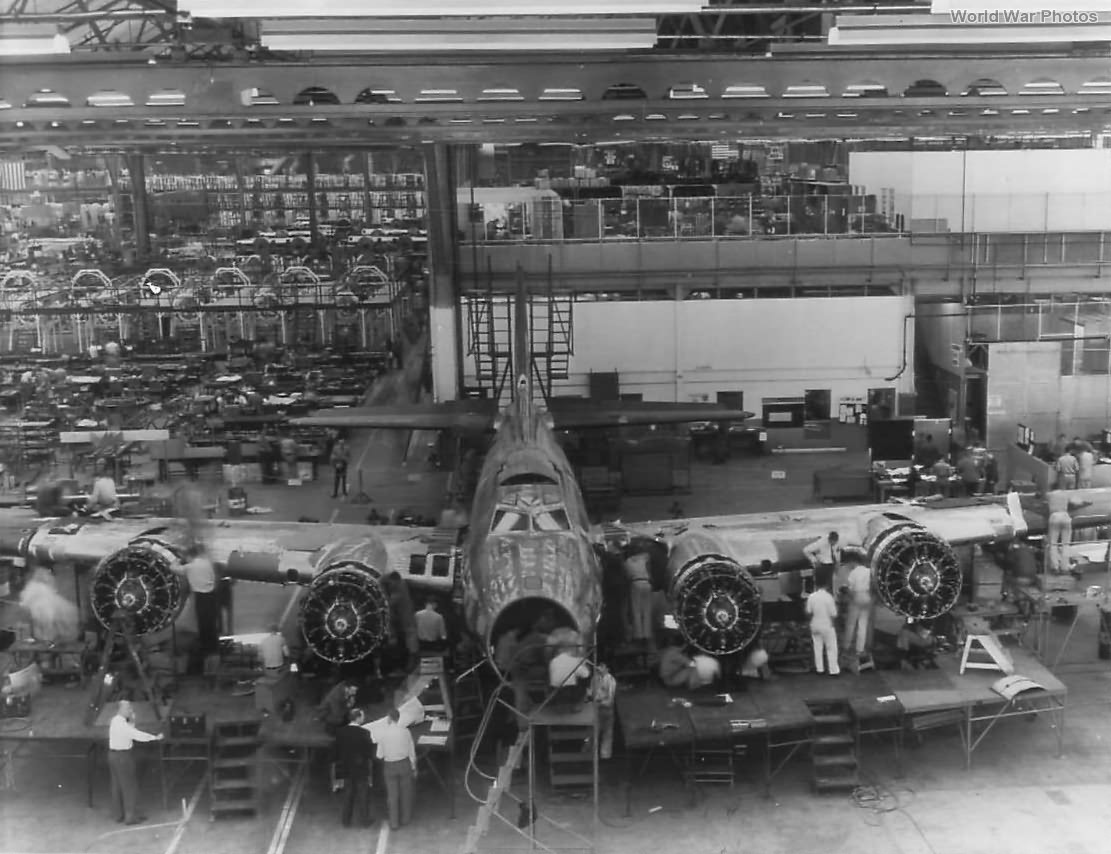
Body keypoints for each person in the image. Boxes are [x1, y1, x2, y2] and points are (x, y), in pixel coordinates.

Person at [108, 699, 163, 825]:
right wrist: (154, 737)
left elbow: (129, 729)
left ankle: (118, 815)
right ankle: (130, 817)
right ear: (121, 709)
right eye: (128, 709)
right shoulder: (121, 724)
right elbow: (135, 734)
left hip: (113, 755)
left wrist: (132, 720)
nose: (131, 711)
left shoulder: (115, 721)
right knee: (129, 786)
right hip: (123, 757)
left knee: (116, 786)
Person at [376, 707, 416, 831]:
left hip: (390, 766)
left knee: (392, 796)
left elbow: (379, 755)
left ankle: (394, 823)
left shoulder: (383, 734)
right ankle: (406, 819)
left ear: (389, 718)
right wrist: (413, 767)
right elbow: (411, 752)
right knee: (406, 793)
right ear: (398, 718)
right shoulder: (406, 732)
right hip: (404, 764)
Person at [336, 709, 375, 828]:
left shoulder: (341, 732)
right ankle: (365, 820)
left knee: (348, 794)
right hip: (361, 769)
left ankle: (346, 820)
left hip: (347, 768)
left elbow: (337, 750)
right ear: (358, 718)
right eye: (362, 716)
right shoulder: (365, 733)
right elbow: (369, 753)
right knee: (363, 795)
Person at [182, 544, 220, 656]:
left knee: (203, 624)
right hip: (212, 596)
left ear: (190, 556)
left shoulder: (190, 566)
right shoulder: (207, 563)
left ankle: (206, 649)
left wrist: (176, 561)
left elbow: (173, 569)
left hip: (201, 598)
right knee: (211, 623)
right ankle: (213, 648)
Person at [1046, 490, 1093, 573]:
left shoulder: (1049, 494)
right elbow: (1077, 502)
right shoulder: (1065, 494)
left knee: (1053, 543)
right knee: (1065, 544)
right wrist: (1088, 503)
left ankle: (1055, 566)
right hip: (1065, 516)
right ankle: (1065, 567)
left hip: (1054, 516)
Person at [805, 578, 840, 676]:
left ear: (816, 585)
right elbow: (833, 613)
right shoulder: (829, 597)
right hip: (827, 624)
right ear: (826, 586)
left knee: (817, 647)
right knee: (831, 647)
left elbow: (808, 611)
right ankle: (833, 670)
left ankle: (819, 669)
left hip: (815, 624)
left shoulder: (811, 597)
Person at [841, 560, 873, 657]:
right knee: (862, 624)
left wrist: (849, 596)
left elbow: (850, 587)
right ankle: (860, 649)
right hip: (867, 596)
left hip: (857, 596)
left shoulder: (853, 572)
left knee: (851, 624)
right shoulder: (869, 571)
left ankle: (846, 647)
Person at [624, 547, 654, 644]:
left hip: (635, 583)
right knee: (646, 610)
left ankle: (639, 635)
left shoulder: (628, 561)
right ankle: (647, 634)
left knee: (636, 610)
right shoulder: (644, 558)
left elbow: (627, 575)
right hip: (647, 583)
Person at [548, 642, 591, 707]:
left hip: (554, 690)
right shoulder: (574, 660)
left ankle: (557, 703)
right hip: (570, 691)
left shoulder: (553, 660)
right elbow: (586, 674)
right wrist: (584, 665)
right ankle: (576, 704)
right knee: (583, 678)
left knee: (572, 676)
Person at [590, 662, 617, 760]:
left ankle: (605, 755)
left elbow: (610, 698)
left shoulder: (611, 680)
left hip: (606, 708)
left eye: (602, 666)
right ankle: (592, 754)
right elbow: (592, 692)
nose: (599, 668)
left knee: (607, 732)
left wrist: (601, 702)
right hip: (596, 708)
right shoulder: (594, 679)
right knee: (595, 732)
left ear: (607, 669)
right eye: (599, 666)